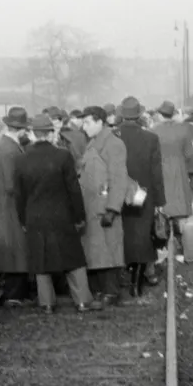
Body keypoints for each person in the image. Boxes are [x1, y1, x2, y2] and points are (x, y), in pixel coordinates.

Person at [15, 114, 102, 313]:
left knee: (40, 260)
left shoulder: (21, 159)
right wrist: (79, 216)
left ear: (33, 134)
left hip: (35, 217)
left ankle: (46, 304)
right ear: (50, 133)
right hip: (62, 215)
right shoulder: (62, 156)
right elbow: (73, 189)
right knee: (73, 258)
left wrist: (23, 219)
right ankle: (82, 300)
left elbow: (18, 194)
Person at [114, 97, 165, 301]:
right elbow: (156, 173)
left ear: (121, 115)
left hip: (119, 192)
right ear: (139, 115)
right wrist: (160, 201)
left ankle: (123, 276)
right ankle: (137, 283)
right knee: (143, 237)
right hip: (144, 195)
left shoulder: (113, 136)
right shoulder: (151, 139)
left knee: (122, 234)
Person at [79, 105, 130, 306]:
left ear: (100, 122)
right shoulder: (94, 143)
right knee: (97, 251)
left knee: (108, 251)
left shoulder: (113, 144)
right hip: (92, 207)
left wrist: (113, 208)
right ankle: (102, 290)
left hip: (104, 208)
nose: (84, 127)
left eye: (88, 123)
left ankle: (111, 291)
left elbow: (119, 178)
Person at [0, 106, 32, 304]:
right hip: (10, 205)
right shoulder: (9, 149)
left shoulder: (1, 144)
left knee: (9, 248)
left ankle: (13, 290)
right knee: (15, 249)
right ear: (21, 129)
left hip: (0, 204)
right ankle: (15, 294)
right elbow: (10, 183)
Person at [154, 101, 193, 223]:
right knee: (180, 197)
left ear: (160, 115)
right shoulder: (184, 129)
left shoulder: (153, 130)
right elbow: (189, 153)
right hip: (179, 167)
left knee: (164, 197)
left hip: (160, 168)